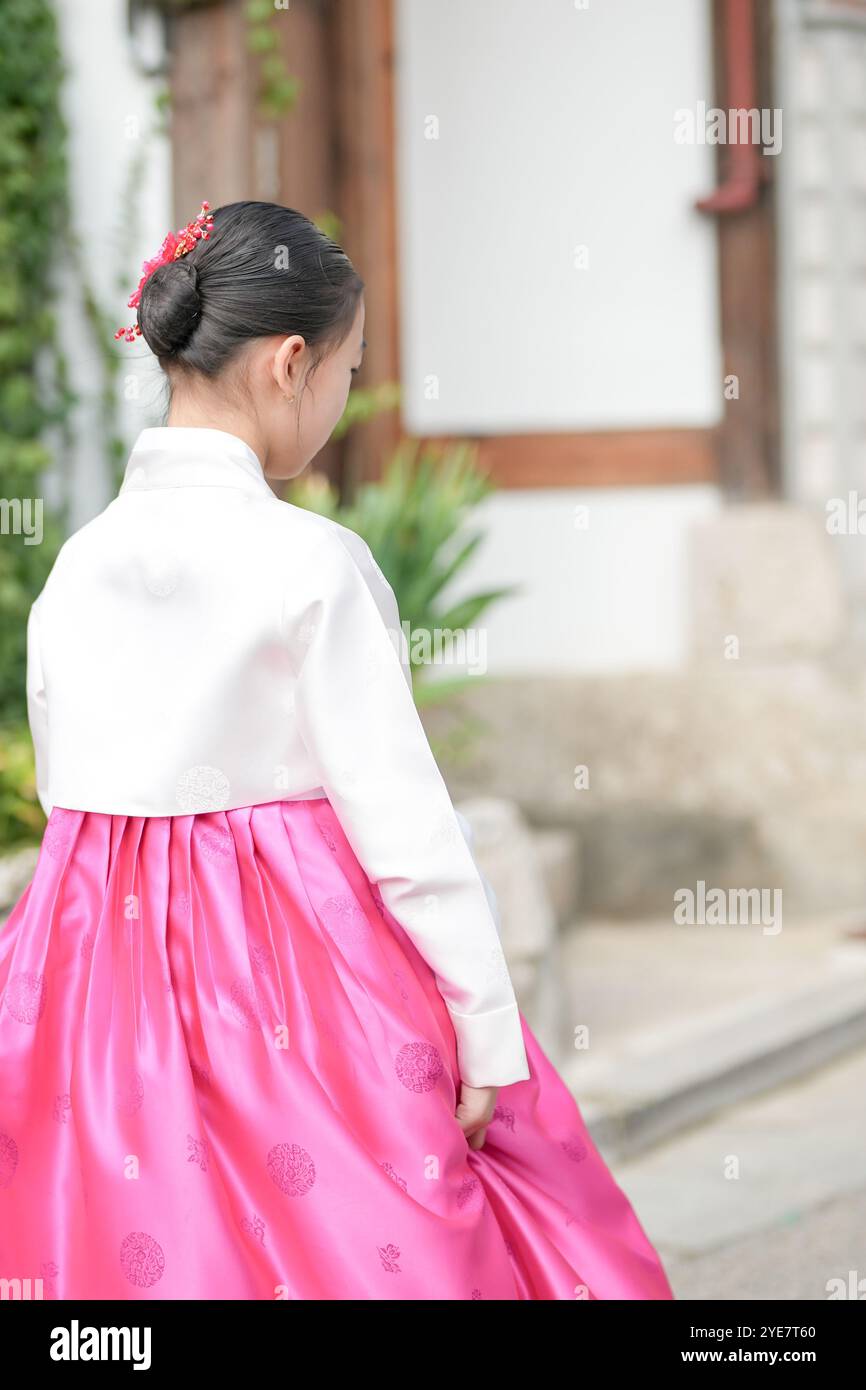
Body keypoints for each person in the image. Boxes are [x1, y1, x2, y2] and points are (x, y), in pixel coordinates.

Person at [0, 200, 674, 1300]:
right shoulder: (308, 560)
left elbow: (74, 799)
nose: (343, 399)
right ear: (289, 362)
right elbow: (404, 826)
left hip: (90, 988)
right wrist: (485, 1028)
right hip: (291, 978)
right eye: (348, 372)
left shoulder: (75, 566)